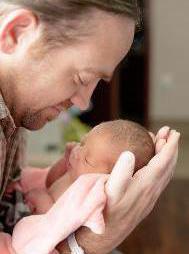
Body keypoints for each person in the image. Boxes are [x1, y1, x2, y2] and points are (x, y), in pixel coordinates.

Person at [0, 1, 180, 254]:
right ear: (17, 33)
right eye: (82, 77)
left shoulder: (14, 107)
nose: (84, 103)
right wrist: (87, 243)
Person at [25, 119, 155, 215]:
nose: (77, 153)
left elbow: (54, 222)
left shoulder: (85, 197)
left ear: (108, 180)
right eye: (82, 143)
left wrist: (42, 200)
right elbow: (50, 182)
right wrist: (64, 162)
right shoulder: (74, 174)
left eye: (87, 160)